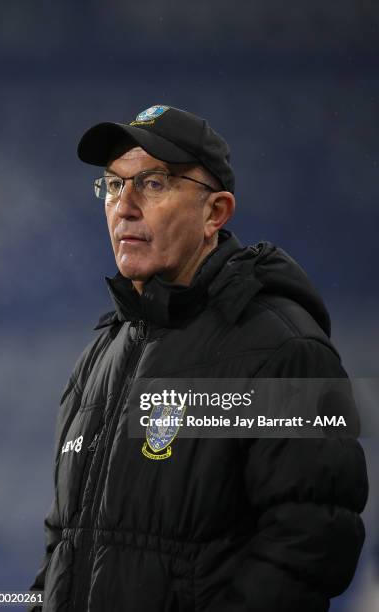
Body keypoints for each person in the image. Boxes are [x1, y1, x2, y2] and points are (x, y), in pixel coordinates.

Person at [28, 105, 368, 611]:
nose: (124, 206)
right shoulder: (96, 360)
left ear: (216, 212)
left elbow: (313, 543)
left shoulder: (284, 348)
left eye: (153, 183)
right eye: (114, 185)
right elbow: (63, 546)